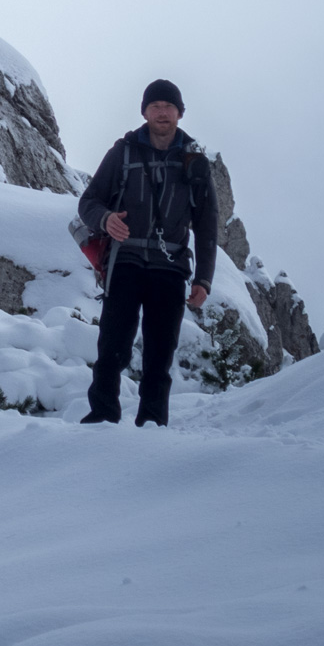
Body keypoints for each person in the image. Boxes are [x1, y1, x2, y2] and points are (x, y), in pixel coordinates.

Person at [76, 79, 217, 426]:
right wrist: (106, 219)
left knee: (160, 354)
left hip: (170, 267)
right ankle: (102, 417)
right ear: (144, 112)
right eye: (155, 106)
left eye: (169, 107)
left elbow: (208, 223)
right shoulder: (122, 153)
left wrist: (204, 279)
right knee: (112, 346)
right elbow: (88, 202)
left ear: (180, 113)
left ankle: (152, 425)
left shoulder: (195, 161)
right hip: (125, 260)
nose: (162, 113)